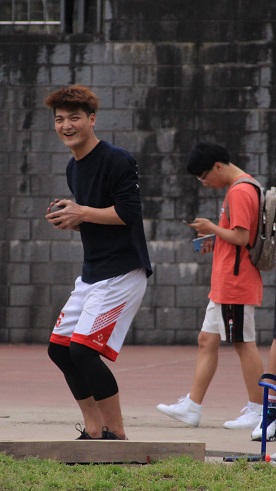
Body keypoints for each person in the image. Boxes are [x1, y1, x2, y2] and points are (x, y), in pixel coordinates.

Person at [44, 85, 152, 440]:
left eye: (74, 118)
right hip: (92, 273)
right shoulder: (73, 167)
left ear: (92, 119)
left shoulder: (117, 160)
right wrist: (70, 217)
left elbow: (129, 214)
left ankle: (116, 434)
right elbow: (90, 215)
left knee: (83, 351)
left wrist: (82, 212)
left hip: (123, 271)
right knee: (60, 349)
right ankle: (93, 431)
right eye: (60, 119)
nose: (66, 126)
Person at [156, 142, 265, 430]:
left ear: (218, 166)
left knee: (243, 343)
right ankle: (192, 406)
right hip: (225, 282)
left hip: (235, 282)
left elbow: (241, 237)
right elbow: (238, 236)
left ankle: (259, 409)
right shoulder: (243, 186)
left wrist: (211, 228)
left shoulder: (240, 191)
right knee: (207, 340)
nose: (204, 183)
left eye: (204, 176)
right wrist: (215, 240)